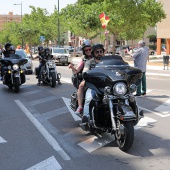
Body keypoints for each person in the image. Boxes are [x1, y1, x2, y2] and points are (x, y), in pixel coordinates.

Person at [81, 43, 105, 123]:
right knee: (89, 98)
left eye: (101, 51)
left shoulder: (107, 60)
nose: (99, 54)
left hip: (107, 85)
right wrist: (86, 72)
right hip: (94, 85)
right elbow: (85, 70)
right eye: (97, 52)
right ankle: (86, 117)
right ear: (93, 53)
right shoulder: (90, 62)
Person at [68, 40, 93, 115]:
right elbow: (77, 70)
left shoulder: (97, 56)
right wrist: (72, 67)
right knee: (81, 86)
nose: (88, 51)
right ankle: (80, 106)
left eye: (89, 49)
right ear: (84, 51)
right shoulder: (84, 60)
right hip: (88, 78)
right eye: (86, 50)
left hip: (98, 78)